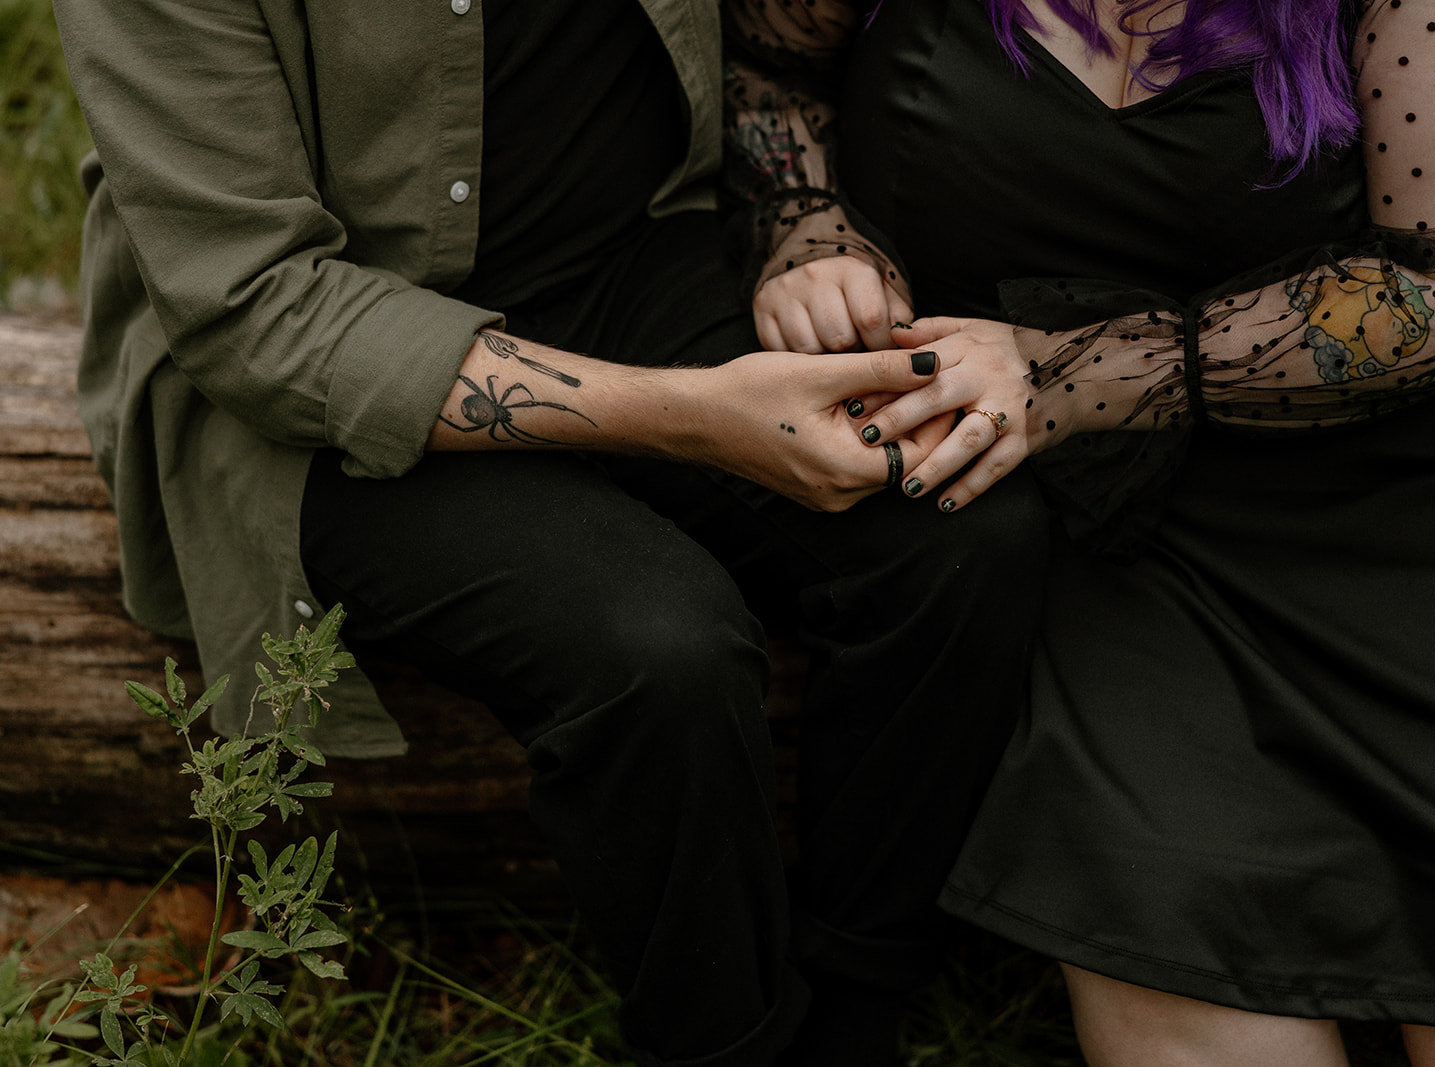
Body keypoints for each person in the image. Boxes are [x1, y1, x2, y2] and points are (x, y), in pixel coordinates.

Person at [53, 1, 1056, 1064]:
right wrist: (696, 417)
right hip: (325, 360)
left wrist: (802, 226)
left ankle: (856, 1008)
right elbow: (252, 308)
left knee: (961, 529)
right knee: (655, 647)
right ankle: (725, 1041)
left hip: (635, 256)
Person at [731, 0, 1435, 1063]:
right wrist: (805, 220)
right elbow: (766, 67)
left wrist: (1083, 373)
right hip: (1116, 515)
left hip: (1421, 487)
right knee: (1192, 944)